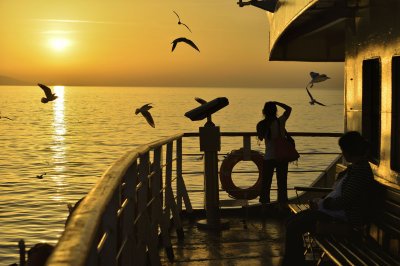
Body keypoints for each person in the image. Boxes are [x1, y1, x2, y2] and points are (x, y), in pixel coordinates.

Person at [281, 131, 375, 265]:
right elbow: (341, 196)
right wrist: (321, 202)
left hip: (345, 218)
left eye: (343, 150)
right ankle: (294, 261)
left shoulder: (360, 172)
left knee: (294, 225)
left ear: (349, 151)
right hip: (336, 212)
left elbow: (344, 201)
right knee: (291, 221)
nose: (342, 153)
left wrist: (322, 205)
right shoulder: (356, 168)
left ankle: (292, 263)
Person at [257, 101, 292, 204]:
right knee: (282, 184)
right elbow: (289, 109)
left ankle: (264, 208)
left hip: (268, 158)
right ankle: (281, 207)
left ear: (264, 111)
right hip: (282, 156)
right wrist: (277, 102)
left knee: (266, 184)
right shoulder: (281, 121)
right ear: (276, 111)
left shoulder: (261, 124)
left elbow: (260, 137)